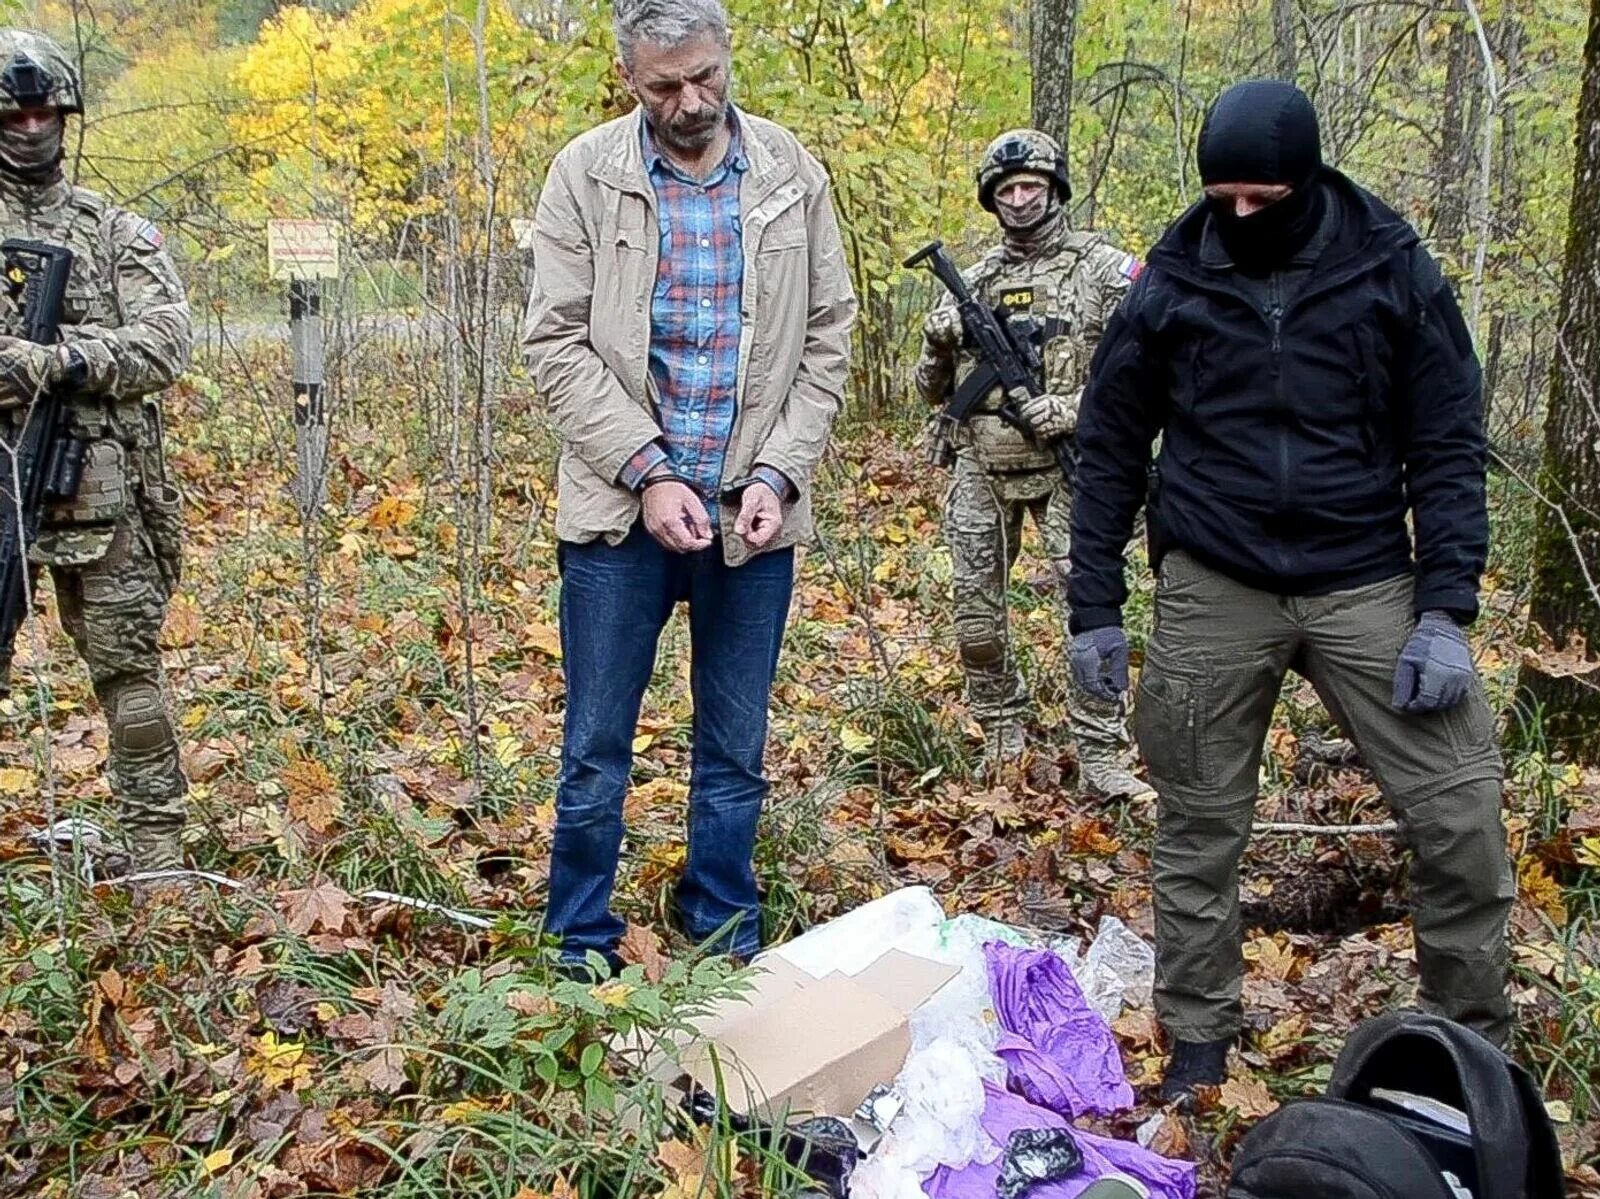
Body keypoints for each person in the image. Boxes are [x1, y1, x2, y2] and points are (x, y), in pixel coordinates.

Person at [1067, 80, 1514, 1100]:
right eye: (1221, 198)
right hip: (1214, 575)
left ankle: (1473, 1059)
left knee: (1460, 814)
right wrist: (1094, 606)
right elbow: (1107, 445)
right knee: (1195, 821)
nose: (1238, 220)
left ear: (1307, 181)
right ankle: (1195, 1048)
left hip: (1364, 575)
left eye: (1262, 200)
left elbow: (1446, 442)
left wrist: (1445, 609)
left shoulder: (1390, 268)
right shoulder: (1171, 280)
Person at [521, 0, 855, 970]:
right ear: (630, 78)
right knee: (594, 745)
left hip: (754, 518)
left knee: (735, 749)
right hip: (620, 516)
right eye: (666, 84)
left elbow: (827, 334)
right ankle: (578, 937)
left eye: (706, 75)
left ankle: (719, 930)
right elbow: (554, 341)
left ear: (726, 59)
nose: (691, 100)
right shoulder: (586, 175)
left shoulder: (791, 173)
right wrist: (648, 469)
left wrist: (781, 470)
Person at [0, 31, 192, 871]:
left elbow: (165, 341)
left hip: (97, 484)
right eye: (15, 111)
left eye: (45, 109)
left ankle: (156, 849)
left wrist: (62, 358)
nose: (31, 125)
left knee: (128, 672)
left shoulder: (111, 230)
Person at [914, 129, 1150, 798]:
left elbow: (1154, 364)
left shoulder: (1103, 270)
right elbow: (934, 392)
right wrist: (936, 347)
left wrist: (1078, 406)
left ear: (1054, 189)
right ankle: (1000, 727)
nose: (1020, 200)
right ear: (992, 199)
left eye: (1032, 187)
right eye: (1008, 190)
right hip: (980, 466)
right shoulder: (976, 279)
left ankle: (1104, 751)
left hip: (1068, 465)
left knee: (1092, 611)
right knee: (977, 615)